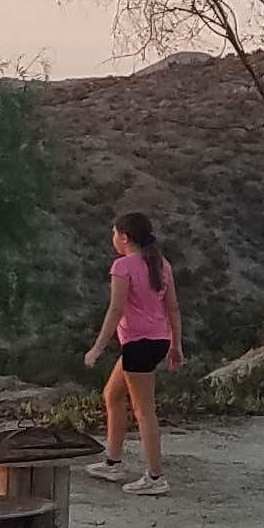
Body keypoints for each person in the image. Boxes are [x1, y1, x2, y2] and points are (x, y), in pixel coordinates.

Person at [84, 209, 182, 495]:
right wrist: (175, 344)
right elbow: (173, 307)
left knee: (143, 411)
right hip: (156, 340)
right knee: (112, 395)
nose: (112, 239)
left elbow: (115, 310)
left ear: (124, 237)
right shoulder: (161, 264)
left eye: (114, 234)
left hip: (139, 344)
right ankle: (113, 462)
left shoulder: (123, 266)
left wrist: (96, 349)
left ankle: (155, 477)